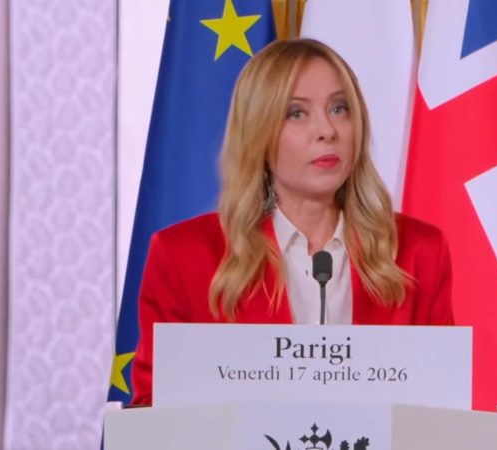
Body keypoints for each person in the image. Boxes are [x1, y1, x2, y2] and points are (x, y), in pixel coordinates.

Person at [130, 39, 452, 406]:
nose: (327, 130)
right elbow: (154, 414)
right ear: (258, 133)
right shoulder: (183, 257)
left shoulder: (419, 253)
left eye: (339, 108)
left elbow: (442, 409)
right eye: (297, 113)